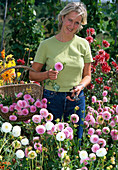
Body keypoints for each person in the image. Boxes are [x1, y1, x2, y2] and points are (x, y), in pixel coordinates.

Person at [29, 2, 93, 143]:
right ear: (62, 18)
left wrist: (80, 86)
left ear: (81, 24)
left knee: (76, 142)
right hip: (52, 98)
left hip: (76, 97)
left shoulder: (83, 44)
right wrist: (46, 74)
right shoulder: (46, 45)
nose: (72, 26)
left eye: (77, 23)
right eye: (70, 20)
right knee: (50, 142)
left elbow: (87, 75)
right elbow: (32, 75)